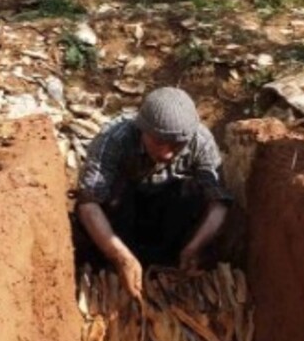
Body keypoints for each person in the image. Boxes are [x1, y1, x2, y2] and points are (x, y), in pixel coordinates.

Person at [74, 87, 231, 299]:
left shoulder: (200, 140)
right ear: (142, 129)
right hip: (123, 210)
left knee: (192, 195)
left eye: (177, 145)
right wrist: (122, 258)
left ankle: (170, 259)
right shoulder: (115, 138)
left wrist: (194, 247)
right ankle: (110, 263)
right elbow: (88, 204)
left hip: (167, 207)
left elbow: (218, 202)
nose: (166, 153)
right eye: (158, 142)